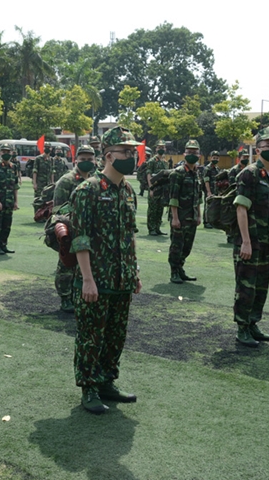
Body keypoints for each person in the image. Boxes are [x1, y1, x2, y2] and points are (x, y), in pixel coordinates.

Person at [70, 126, 142, 414]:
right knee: (91, 336)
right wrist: (87, 279)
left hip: (121, 278)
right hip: (95, 280)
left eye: (133, 152)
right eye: (127, 152)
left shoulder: (127, 190)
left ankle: (107, 382)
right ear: (109, 156)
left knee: (115, 334)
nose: (133, 156)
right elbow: (80, 238)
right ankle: (89, 387)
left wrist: (134, 270)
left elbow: (131, 234)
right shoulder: (88, 189)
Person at [232, 128, 269, 347]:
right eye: (268, 145)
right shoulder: (249, 173)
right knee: (246, 286)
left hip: (263, 241)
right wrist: (245, 241)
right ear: (258, 148)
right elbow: (241, 208)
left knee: (261, 285)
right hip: (249, 242)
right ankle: (242, 328)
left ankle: (253, 323)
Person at [51, 145, 96, 313]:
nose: (86, 162)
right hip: (72, 229)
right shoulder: (66, 180)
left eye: (90, 159)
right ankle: (65, 297)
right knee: (67, 265)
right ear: (76, 160)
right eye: (83, 159)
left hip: (91, 230)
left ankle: (81, 295)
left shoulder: (96, 180)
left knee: (86, 265)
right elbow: (57, 210)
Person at [168, 139, 202, 284]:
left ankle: (180, 268)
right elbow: (173, 197)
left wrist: (199, 215)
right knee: (177, 245)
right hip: (180, 217)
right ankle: (174, 271)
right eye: (189, 152)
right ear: (184, 154)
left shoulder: (196, 172)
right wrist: (175, 218)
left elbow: (198, 197)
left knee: (187, 246)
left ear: (199, 155)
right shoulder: (178, 173)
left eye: (194, 152)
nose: (192, 154)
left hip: (192, 216)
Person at [0, 142, 20, 255]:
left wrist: (16, 202)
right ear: (0, 153)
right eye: (4, 152)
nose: (6, 154)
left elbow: (15, 186)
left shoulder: (14, 167)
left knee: (7, 225)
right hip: (0, 201)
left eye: (8, 152)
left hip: (9, 201)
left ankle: (4, 245)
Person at [225, 149, 250, 244]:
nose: (246, 159)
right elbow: (232, 186)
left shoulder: (249, 170)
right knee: (233, 217)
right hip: (235, 197)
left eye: (247, 157)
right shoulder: (234, 170)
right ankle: (230, 236)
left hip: (246, 198)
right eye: (244, 157)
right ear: (239, 158)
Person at [145, 141, 168, 236]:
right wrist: (151, 188)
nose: (161, 149)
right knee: (153, 209)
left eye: (163, 147)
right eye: (159, 147)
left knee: (160, 209)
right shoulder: (152, 161)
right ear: (156, 149)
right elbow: (148, 174)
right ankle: (152, 229)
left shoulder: (165, 162)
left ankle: (157, 228)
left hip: (162, 189)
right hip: (155, 189)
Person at [32, 142, 54, 214]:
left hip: (47, 183)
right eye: (46, 147)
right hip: (40, 183)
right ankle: (37, 215)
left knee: (47, 200)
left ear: (51, 149)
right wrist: (34, 183)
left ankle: (44, 215)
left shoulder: (51, 160)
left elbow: (52, 172)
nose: (47, 149)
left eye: (48, 147)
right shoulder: (38, 158)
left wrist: (52, 183)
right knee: (38, 199)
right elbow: (35, 171)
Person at [202, 150, 221, 228]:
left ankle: (213, 221)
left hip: (216, 190)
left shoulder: (217, 169)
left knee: (214, 206)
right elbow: (206, 181)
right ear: (210, 158)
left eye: (217, 158)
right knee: (208, 206)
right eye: (214, 158)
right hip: (209, 190)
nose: (215, 159)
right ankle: (206, 222)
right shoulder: (208, 168)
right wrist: (208, 191)